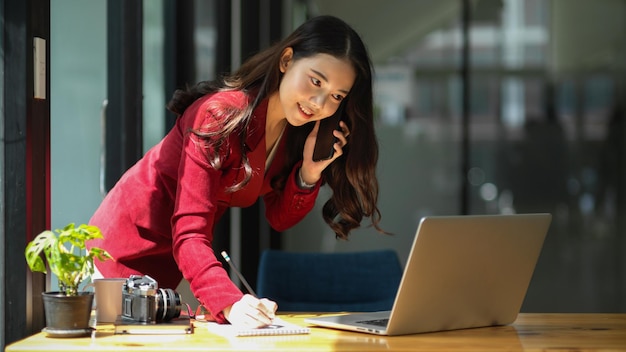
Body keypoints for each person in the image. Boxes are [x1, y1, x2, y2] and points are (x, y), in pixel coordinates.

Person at [87, 15, 384, 328]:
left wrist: (308, 174)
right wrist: (230, 302)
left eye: (337, 96)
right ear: (286, 60)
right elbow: (190, 230)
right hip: (123, 253)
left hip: (179, 262)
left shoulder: (294, 133)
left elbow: (279, 219)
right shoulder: (219, 115)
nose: (320, 102)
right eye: (316, 81)